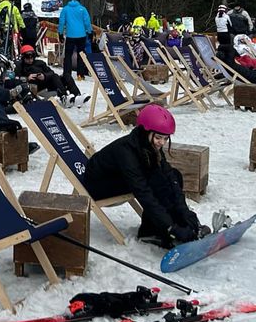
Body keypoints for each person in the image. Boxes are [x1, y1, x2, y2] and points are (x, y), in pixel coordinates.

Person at [81, 104, 205, 248]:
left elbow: (169, 176)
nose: (162, 143)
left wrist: (185, 212)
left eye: (166, 139)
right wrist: (170, 227)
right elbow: (143, 191)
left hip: (121, 178)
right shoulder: (126, 151)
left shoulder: (149, 144)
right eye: (159, 137)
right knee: (154, 181)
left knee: (174, 176)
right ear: (146, 131)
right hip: (99, 186)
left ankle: (160, 227)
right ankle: (157, 231)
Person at [57, 0, 92, 104]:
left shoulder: (65, 9)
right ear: (79, 0)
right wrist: (90, 32)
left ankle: (67, 74)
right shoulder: (82, 9)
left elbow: (62, 21)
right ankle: (80, 74)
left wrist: (60, 33)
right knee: (81, 54)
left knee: (68, 55)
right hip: (81, 35)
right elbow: (87, 21)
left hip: (71, 35)